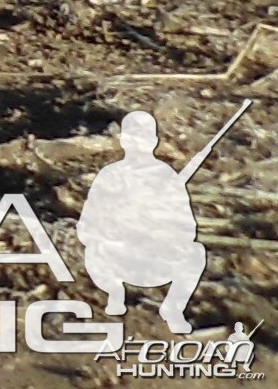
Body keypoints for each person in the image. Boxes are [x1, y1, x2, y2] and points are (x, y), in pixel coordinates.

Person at [77, 112, 210, 330]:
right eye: (133, 139)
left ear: (154, 142)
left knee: (195, 253)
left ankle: (173, 308)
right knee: (94, 249)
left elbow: (187, 228)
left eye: (143, 139)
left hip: (155, 260)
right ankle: (115, 292)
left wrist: (156, 228)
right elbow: (87, 225)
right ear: (123, 141)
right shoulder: (110, 175)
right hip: (116, 258)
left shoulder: (167, 177)